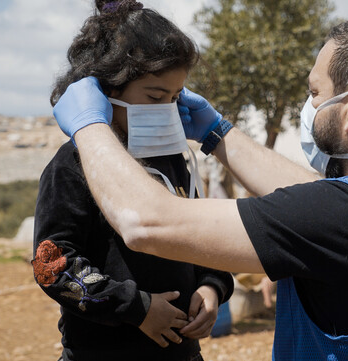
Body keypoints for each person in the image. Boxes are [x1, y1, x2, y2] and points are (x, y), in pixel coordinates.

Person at [53, 15, 348, 360]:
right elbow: (323, 202)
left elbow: (146, 222)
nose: (307, 106)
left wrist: (90, 125)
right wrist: (217, 134)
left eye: (313, 92)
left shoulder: (340, 216)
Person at [31, 1, 233, 360]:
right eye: (155, 96)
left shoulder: (175, 159)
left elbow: (203, 236)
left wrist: (212, 286)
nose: (167, 109)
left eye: (174, 98)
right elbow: (53, 265)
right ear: (106, 91)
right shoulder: (72, 166)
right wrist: (137, 309)